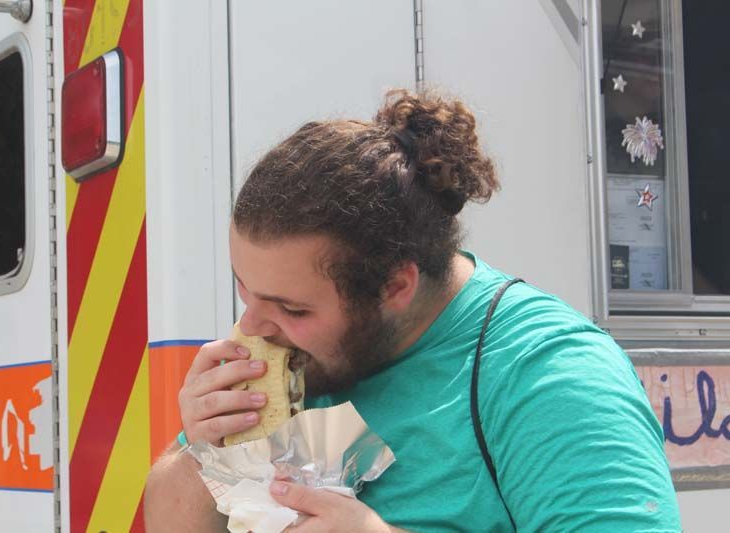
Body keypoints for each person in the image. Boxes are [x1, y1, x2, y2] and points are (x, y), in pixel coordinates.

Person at [144, 89, 681, 532]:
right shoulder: (296, 351)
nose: (253, 326)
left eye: (290, 308)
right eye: (244, 290)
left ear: (395, 286)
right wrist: (204, 448)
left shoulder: (547, 375)